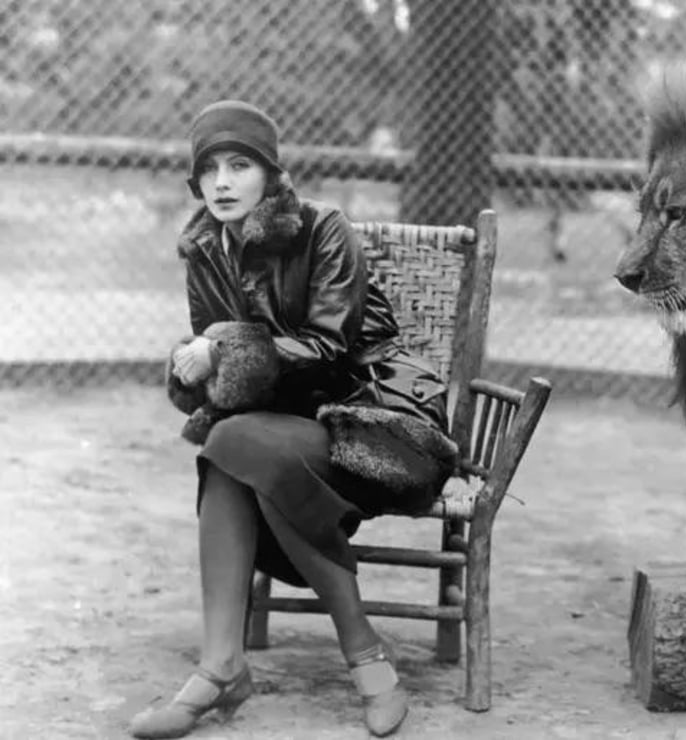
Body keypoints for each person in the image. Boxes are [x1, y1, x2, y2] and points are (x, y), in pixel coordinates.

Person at [130, 100, 455, 738]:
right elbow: (226, 372)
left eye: (239, 165)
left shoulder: (323, 228)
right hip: (280, 433)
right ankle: (272, 660)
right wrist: (200, 367)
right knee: (234, 443)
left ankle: (255, 662)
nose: (222, 182)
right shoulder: (204, 250)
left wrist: (223, 353)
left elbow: (331, 348)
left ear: (271, 174)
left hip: (374, 420)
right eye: (209, 169)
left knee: (236, 445)